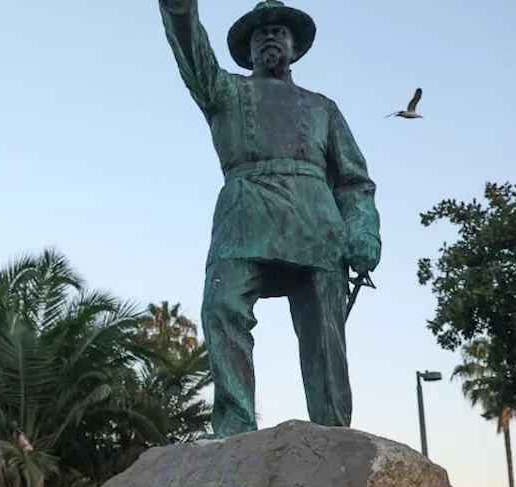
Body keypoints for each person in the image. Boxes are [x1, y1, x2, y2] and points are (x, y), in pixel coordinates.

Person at [159, 0, 381, 437]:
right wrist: (180, 9)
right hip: (244, 214)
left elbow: (354, 182)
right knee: (221, 306)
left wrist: (363, 230)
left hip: (316, 224)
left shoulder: (323, 108)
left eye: (279, 31)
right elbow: (190, 48)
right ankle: (235, 423)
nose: (270, 38)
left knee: (326, 336)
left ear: (295, 47)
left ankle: (334, 430)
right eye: (261, 34)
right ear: (248, 49)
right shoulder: (225, 91)